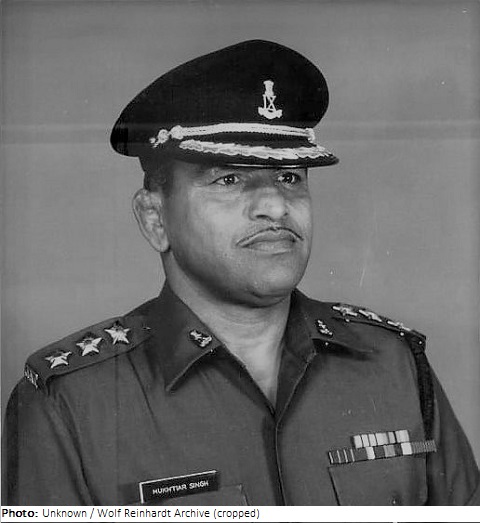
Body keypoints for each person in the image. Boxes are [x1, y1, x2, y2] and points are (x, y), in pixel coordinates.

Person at [2, 40, 479, 506]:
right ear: (155, 219)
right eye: (229, 179)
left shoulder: (394, 363)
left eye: (289, 178)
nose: (275, 205)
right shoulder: (70, 402)